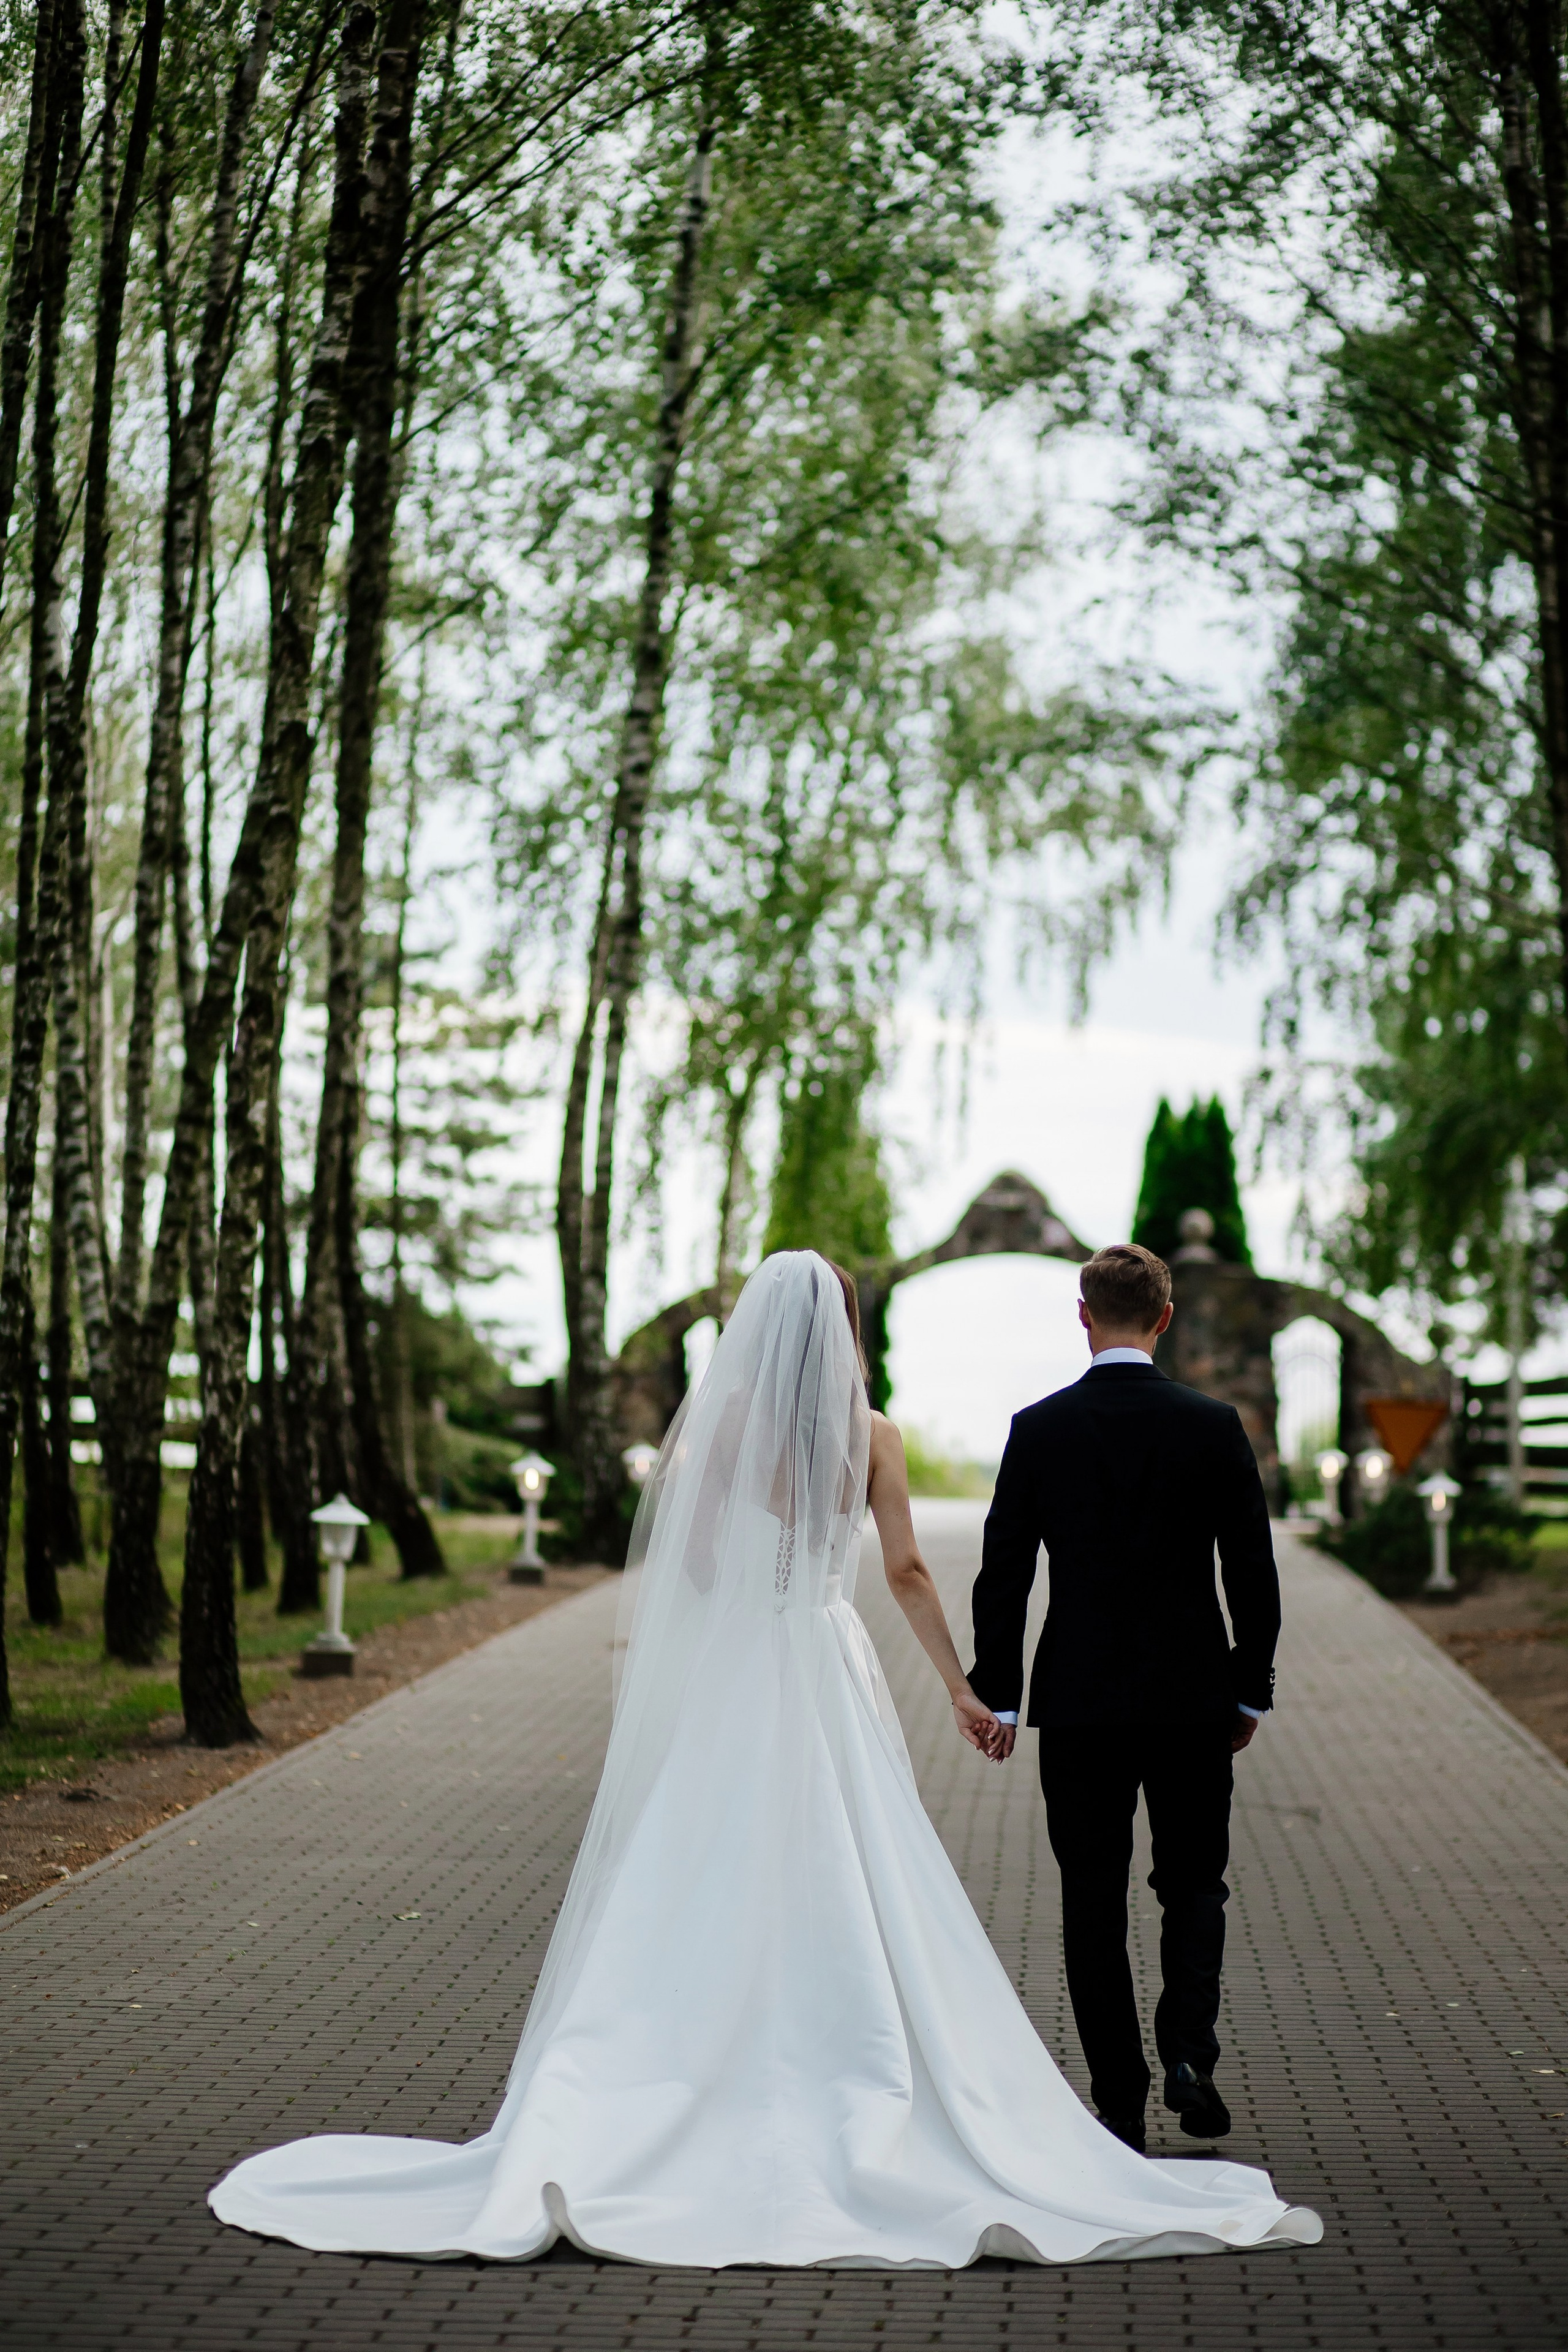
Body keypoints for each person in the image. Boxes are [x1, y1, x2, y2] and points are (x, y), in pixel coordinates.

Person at [211, 1251, 1317, 2267]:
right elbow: (910, 1574)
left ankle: (710, 2069)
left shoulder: (736, 1423)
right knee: (925, 1867)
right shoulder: (878, 1432)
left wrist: (776, 1622)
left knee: (721, 1863)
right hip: (862, 1662)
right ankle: (1127, 2060)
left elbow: (697, 1560)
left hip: (763, 1663)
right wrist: (969, 1689)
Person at [969, 1241, 1280, 2156]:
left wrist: (1003, 1695)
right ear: (1166, 1318)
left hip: (1080, 1704)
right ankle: (1190, 2055)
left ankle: (1120, 2100)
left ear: (1082, 1315)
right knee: (1194, 1883)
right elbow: (1251, 1572)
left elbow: (1004, 1575)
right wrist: (1250, 1689)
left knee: (1091, 1897)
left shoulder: (1039, 1428)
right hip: (1193, 1699)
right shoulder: (1214, 1424)